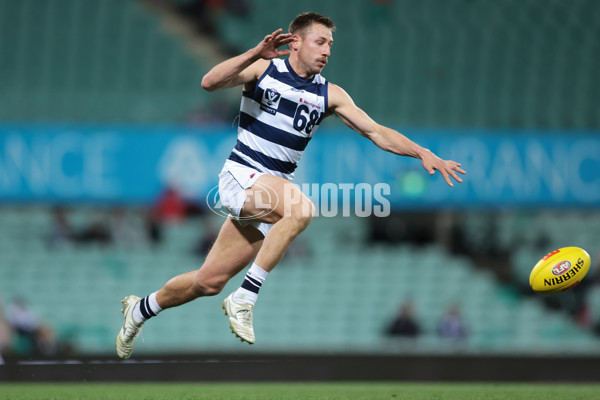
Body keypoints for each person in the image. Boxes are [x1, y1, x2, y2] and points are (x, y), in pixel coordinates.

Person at [116, 12, 466, 359]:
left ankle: (141, 309)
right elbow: (209, 82)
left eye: (330, 44)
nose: (327, 50)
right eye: (320, 41)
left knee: (208, 282)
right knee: (302, 209)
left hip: (269, 193)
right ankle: (245, 297)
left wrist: (422, 152)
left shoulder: (330, 94)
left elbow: (376, 132)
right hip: (242, 177)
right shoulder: (263, 69)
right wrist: (255, 52)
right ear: (295, 42)